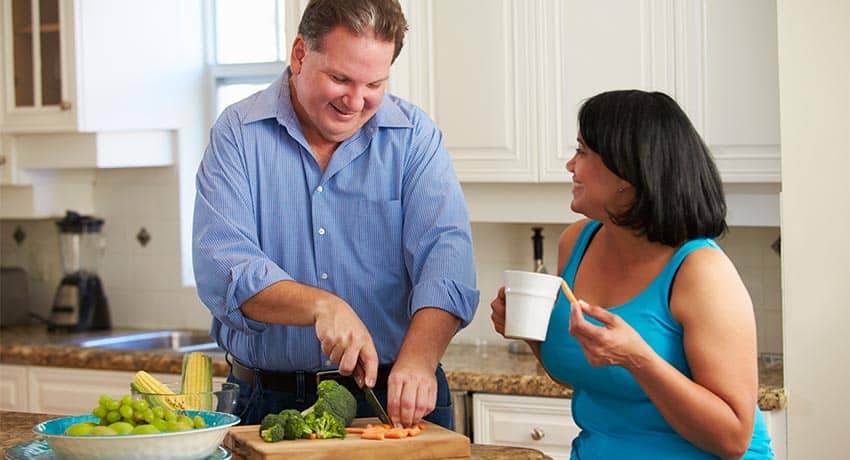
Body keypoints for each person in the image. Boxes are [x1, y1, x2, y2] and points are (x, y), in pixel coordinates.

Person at [193, 0, 478, 430]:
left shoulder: (414, 138)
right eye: (340, 79)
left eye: (374, 84)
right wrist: (321, 306)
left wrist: (420, 359)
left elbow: (446, 261)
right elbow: (225, 265)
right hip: (266, 401)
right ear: (300, 55)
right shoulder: (237, 134)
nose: (356, 101)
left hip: (391, 394)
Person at [490, 90, 773, 459]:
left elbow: (733, 438)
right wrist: (530, 337)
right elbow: (589, 375)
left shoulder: (701, 270)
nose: (570, 166)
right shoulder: (577, 241)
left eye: (583, 152)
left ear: (627, 171)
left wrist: (638, 359)